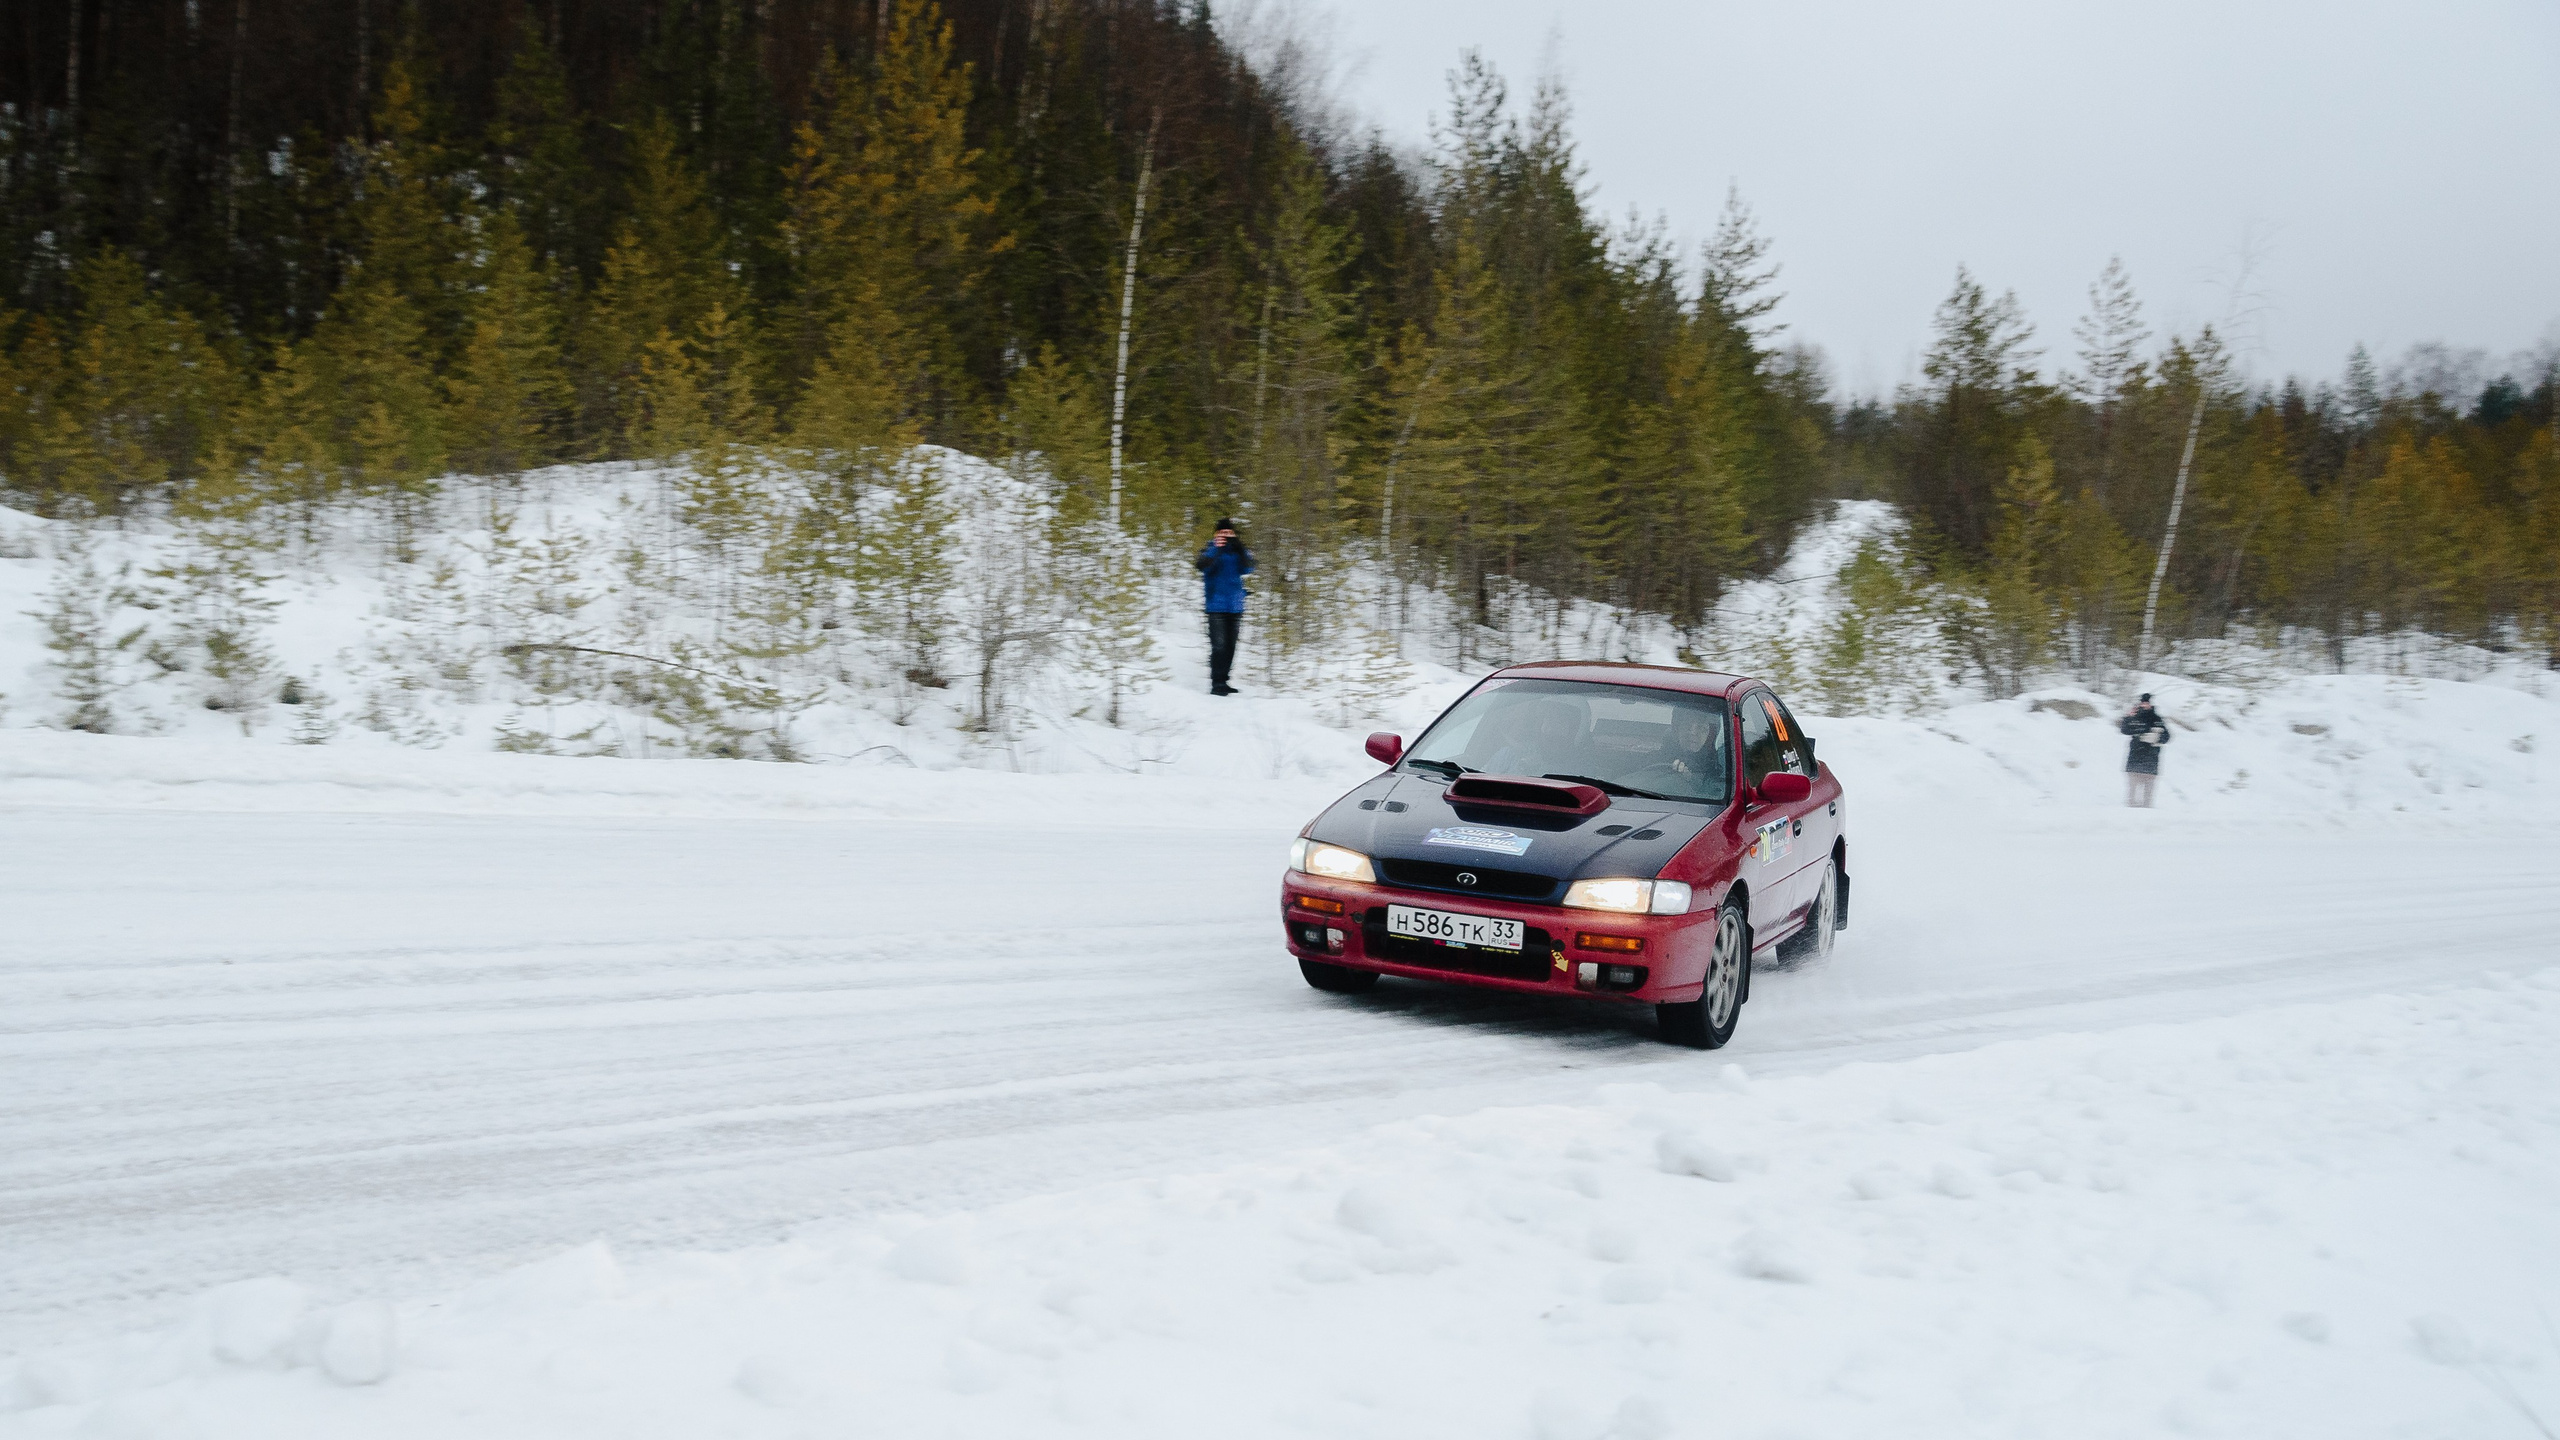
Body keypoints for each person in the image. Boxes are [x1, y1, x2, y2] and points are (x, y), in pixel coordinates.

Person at [1195, 519, 1254, 696]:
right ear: (1216, 535)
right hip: (1216, 606)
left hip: (1236, 606)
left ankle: (1225, 680)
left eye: (1229, 533)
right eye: (1222, 533)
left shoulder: (1238, 552)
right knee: (1218, 646)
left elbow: (1249, 568)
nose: (1225, 536)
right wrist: (1217, 549)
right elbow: (1202, 566)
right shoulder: (1209, 549)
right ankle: (1217, 683)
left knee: (1230, 647)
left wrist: (1240, 547)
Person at [2119, 693, 2171, 807]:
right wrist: (2128, 717)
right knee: (2131, 794)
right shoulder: (2134, 717)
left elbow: (2167, 737)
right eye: (2143, 702)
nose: (2144, 705)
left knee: (2148, 796)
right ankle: (2130, 812)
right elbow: (2124, 730)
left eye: (2147, 703)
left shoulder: (2157, 719)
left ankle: (2147, 815)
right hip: (2135, 759)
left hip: (2151, 760)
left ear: (2150, 704)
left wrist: (2157, 738)